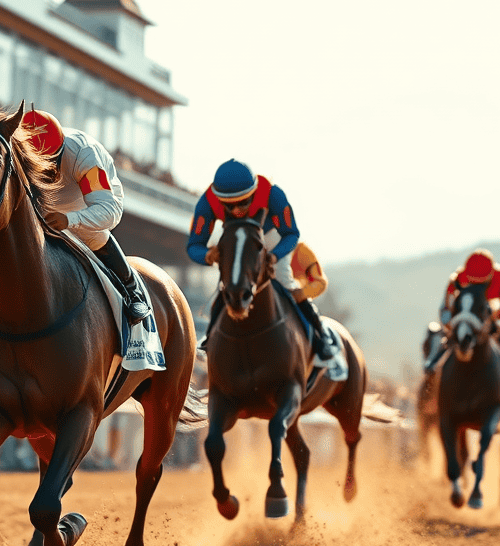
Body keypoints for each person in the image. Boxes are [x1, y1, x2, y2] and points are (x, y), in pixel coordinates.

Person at [186, 158, 336, 360]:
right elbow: (194, 245)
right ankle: (212, 334)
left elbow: (291, 233)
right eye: (230, 206)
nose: (238, 209)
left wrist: (274, 256)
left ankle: (320, 334)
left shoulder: (273, 194)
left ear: (254, 192)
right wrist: (207, 255)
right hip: (235, 236)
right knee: (228, 283)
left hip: (271, 239)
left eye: (244, 202)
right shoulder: (207, 202)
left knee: (284, 283)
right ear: (219, 198)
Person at [21, 108, 151, 326]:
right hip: (42, 205)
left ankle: (132, 290)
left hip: (88, 200)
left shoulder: (84, 154)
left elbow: (109, 211)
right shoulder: (17, 152)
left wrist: (70, 219)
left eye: (49, 165)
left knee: (91, 232)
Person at [424, 249, 500, 394]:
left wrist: (494, 315)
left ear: (491, 275)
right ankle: (431, 370)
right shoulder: (457, 279)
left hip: (488, 322)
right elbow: (445, 309)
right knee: (445, 345)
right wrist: (454, 324)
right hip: (460, 321)